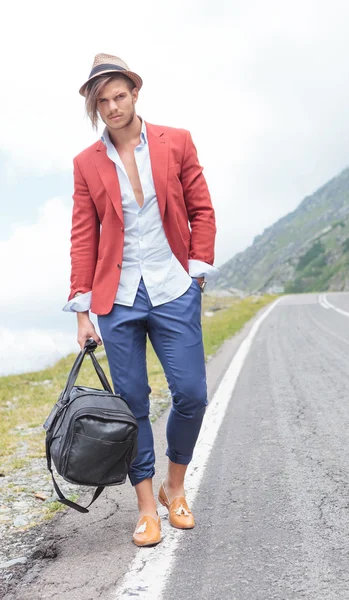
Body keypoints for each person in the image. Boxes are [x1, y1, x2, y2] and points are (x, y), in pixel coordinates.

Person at [63, 53, 217, 547]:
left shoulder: (178, 142)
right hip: (119, 297)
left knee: (191, 393)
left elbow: (202, 208)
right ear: (94, 106)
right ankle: (147, 506)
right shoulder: (86, 164)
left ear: (135, 92)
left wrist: (196, 271)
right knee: (132, 405)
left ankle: (176, 486)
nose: (112, 106)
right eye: (102, 100)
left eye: (119, 95)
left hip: (173, 287)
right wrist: (83, 310)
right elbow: (84, 236)